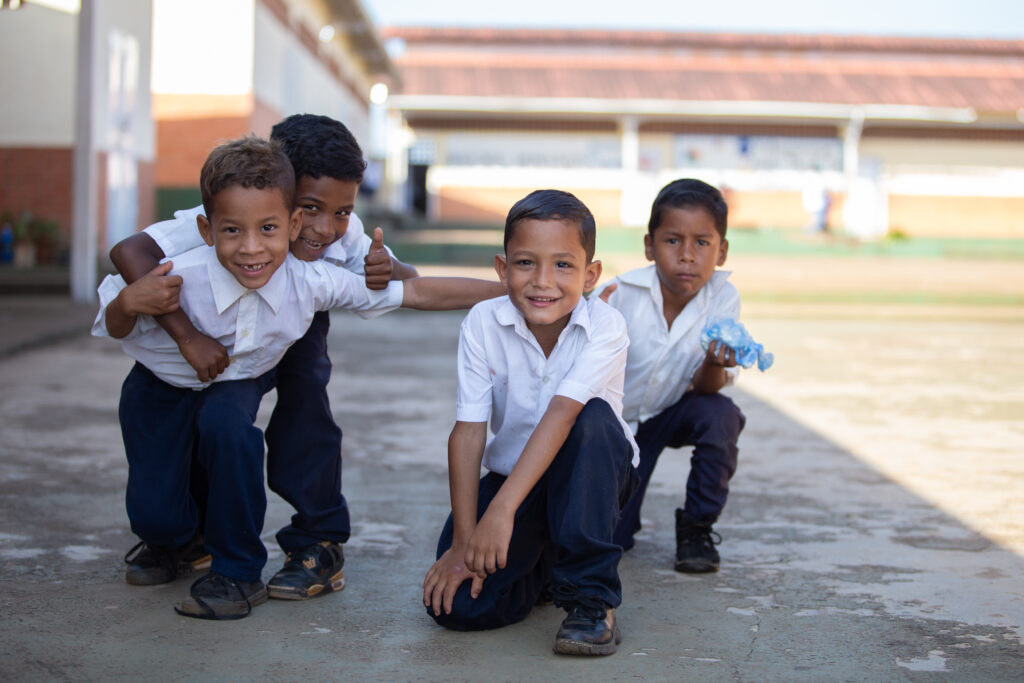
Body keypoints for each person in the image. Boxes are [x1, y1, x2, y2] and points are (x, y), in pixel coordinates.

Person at [94, 136, 500, 620]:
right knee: (157, 514)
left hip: (235, 379)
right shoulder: (180, 270)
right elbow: (114, 323)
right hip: (158, 385)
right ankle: (179, 540)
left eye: (268, 229)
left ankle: (238, 571)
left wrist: (511, 293)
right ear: (208, 231)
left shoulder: (312, 277)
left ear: (290, 225)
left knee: (232, 429)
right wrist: (132, 304)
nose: (251, 248)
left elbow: (416, 291)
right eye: (232, 232)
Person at [422, 190, 639, 656]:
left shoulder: (607, 326)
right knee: (457, 605)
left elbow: (562, 413)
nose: (543, 281)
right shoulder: (483, 322)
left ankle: (590, 599)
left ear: (591, 274)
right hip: (513, 477)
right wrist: (464, 541)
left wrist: (500, 514)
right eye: (525, 263)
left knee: (593, 418)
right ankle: (543, 566)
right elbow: (469, 430)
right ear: (502, 269)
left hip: (591, 476)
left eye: (563, 265)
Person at [598, 178, 746, 573]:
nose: (687, 256)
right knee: (611, 541)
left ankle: (697, 527)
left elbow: (706, 389)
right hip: (611, 427)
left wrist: (715, 363)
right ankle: (623, 510)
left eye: (702, 242)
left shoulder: (723, 297)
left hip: (669, 414)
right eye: (672, 240)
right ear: (649, 245)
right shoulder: (619, 294)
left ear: (722, 250)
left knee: (721, 415)